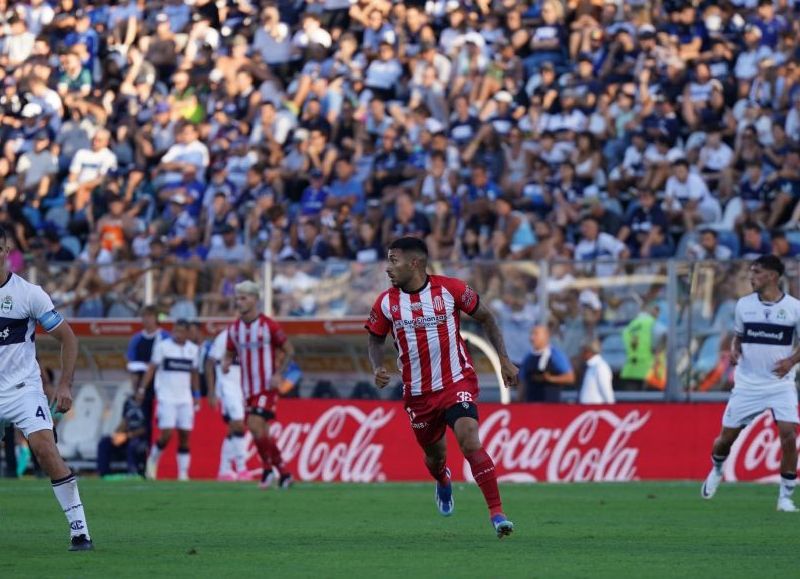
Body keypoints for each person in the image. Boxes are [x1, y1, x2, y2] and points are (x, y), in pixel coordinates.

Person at [365, 236, 518, 539]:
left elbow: (486, 317)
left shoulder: (451, 289)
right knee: (435, 457)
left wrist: (503, 359)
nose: (387, 268)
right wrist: (377, 367)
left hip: (455, 381)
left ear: (415, 263)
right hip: (418, 393)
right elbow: (374, 337)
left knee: (469, 440)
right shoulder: (386, 302)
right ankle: (443, 480)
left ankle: (497, 513)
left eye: (393, 260)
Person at [0, 225, 93, 551]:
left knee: (45, 450)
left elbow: (68, 337)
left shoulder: (28, 294)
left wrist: (64, 385)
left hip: (22, 388)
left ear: (7, 250)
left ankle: (79, 530)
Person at [701, 255, 800, 512]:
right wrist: (735, 350)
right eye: (751, 272)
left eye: (756, 272)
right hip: (747, 386)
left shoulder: (794, 308)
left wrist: (790, 361)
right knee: (725, 439)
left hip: (780, 384)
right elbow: (739, 336)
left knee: (789, 434)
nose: (751, 277)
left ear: (772, 276)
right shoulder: (744, 305)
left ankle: (785, 497)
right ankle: (717, 468)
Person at [222, 281, 295, 489]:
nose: (239, 302)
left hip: (266, 385)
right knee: (259, 431)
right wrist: (226, 363)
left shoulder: (268, 325)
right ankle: (282, 472)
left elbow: (289, 350)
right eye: (237, 298)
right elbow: (229, 352)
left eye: (244, 298)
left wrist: (279, 374)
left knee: (254, 424)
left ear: (255, 300)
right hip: (247, 388)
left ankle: (267, 470)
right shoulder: (235, 329)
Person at [143, 319, 200, 481]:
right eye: (176, 331)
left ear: (188, 333)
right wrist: (142, 389)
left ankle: (183, 473)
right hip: (166, 397)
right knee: (166, 433)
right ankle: (153, 460)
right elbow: (151, 368)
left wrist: (196, 394)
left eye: (182, 331)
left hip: (185, 398)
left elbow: (194, 373)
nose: (178, 334)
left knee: (185, 435)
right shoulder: (163, 347)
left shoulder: (193, 350)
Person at [206, 328, 247, 481]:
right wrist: (211, 391)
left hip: (243, 388)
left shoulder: (251, 337)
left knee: (232, 428)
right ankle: (242, 468)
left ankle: (224, 469)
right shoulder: (224, 337)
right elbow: (209, 363)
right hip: (227, 386)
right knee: (238, 423)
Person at [126, 305, 170, 442]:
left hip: (162, 386)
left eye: (149, 316)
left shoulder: (164, 337)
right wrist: (137, 390)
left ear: (156, 318)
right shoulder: (137, 339)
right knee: (144, 421)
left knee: (160, 420)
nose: (146, 320)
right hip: (143, 386)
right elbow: (131, 364)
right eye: (144, 316)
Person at [96, 387, 148, 478]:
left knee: (133, 445)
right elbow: (125, 421)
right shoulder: (128, 403)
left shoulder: (148, 404)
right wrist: (117, 434)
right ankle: (103, 474)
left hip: (141, 438)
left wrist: (127, 436)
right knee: (104, 443)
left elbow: (147, 428)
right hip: (127, 436)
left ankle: (132, 473)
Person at [519, 325, 575, 402]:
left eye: (536, 334)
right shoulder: (528, 357)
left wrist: (551, 379)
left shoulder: (555, 355)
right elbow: (523, 382)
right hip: (531, 405)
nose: (532, 338)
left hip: (550, 406)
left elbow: (570, 377)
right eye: (531, 334)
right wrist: (519, 401)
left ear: (546, 336)